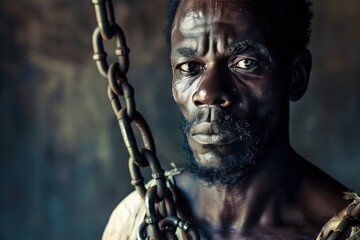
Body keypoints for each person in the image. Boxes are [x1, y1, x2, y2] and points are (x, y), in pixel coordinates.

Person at [102, 0, 359, 239]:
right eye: (189, 67)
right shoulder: (137, 219)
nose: (207, 93)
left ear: (296, 77)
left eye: (245, 63)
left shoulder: (345, 230)